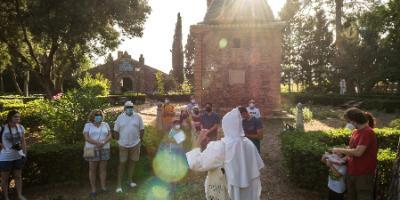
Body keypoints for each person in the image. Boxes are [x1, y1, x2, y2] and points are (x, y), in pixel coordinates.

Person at [186, 108, 265, 200]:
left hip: (225, 191)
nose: (220, 129)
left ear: (226, 127)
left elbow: (197, 163)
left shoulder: (220, 147)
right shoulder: (248, 143)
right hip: (247, 191)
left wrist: (198, 140)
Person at [332, 108, 377, 200]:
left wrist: (339, 149)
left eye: (349, 121)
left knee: (363, 196)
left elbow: (358, 152)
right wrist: (340, 159)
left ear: (355, 120)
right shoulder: (355, 132)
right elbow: (351, 150)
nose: (349, 124)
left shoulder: (368, 132)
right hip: (352, 171)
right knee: (351, 196)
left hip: (363, 174)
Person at [114, 101, 144, 193]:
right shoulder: (120, 117)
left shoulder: (138, 117)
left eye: (131, 107)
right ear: (124, 108)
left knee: (132, 162)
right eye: (127, 107)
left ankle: (130, 181)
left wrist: (140, 140)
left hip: (135, 144)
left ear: (133, 107)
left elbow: (142, 129)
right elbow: (115, 131)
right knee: (122, 163)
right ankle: (119, 185)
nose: (129, 108)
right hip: (123, 144)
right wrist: (118, 141)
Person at [83, 109, 112, 198]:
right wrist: (97, 143)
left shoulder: (105, 124)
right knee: (92, 170)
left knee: (103, 169)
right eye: (96, 115)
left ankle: (103, 188)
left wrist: (103, 142)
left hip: (105, 148)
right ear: (92, 116)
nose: (98, 116)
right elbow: (86, 137)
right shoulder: (88, 125)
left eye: (100, 114)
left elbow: (110, 135)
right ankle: (93, 190)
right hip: (90, 149)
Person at [0, 110, 27, 200]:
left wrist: (24, 153)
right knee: (5, 179)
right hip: (5, 157)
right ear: (10, 117)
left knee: (18, 177)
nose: (18, 118)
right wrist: (1, 145)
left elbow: (23, 141)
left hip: (18, 156)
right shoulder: (2, 128)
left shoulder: (21, 127)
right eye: (15, 117)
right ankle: (6, 198)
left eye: (19, 117)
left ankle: (19, 195)